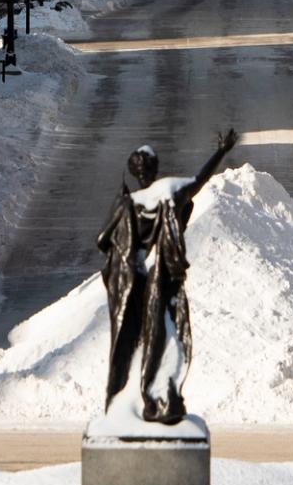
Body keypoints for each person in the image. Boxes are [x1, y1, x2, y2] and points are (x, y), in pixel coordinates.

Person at [96, 129, 237, 424]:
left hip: (132, 280)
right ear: (155, 167)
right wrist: (222, 152)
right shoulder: (169, 191)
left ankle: (147, 397)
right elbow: (199, 181)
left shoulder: (129, 203)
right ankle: (158, 396)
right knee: (169, 337)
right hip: (162, 277)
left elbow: (102, 240)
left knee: (140, 340)